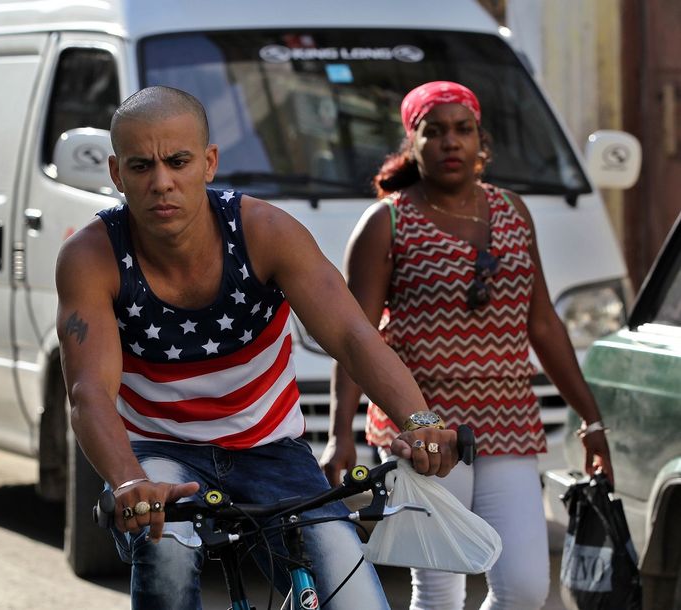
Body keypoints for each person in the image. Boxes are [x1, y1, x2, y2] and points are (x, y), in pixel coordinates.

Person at [54, 85, 461, 610]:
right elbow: (88, 392)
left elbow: (353, 336)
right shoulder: (91, 256)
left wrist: (420, 422)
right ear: (116, 173)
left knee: (354, 595)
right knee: (168, 552)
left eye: (178, 161)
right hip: (160, 455)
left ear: (209, 162)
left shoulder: (265, 231)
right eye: (140, 166)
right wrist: (129, 480)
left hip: (270, 447)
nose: (161, 183)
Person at [320, 80, 615, 610]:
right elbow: (355, 337)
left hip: (507, 423)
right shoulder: (386, 222)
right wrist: (340, 434)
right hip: (423, 428)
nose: (450, 142)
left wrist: (590, 420)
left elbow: (543, 323)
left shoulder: (513, 212)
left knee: (524, 588)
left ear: (482, 142)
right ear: (413, 142)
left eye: (463, 130)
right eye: (434, 131)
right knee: (439, 589)